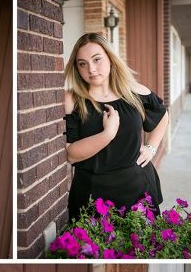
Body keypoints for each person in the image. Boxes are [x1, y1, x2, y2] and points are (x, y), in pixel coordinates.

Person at [64, 33, 169, 221]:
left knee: (142, 249)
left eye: (97, 60)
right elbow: (71, 154)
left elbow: (162, 115)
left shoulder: (134, 92)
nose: (91, 69)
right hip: (92, 194)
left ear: (111, 59)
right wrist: (108, 133)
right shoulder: (73, 99)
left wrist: (151, 147)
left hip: (138, 189)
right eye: (82, 63)